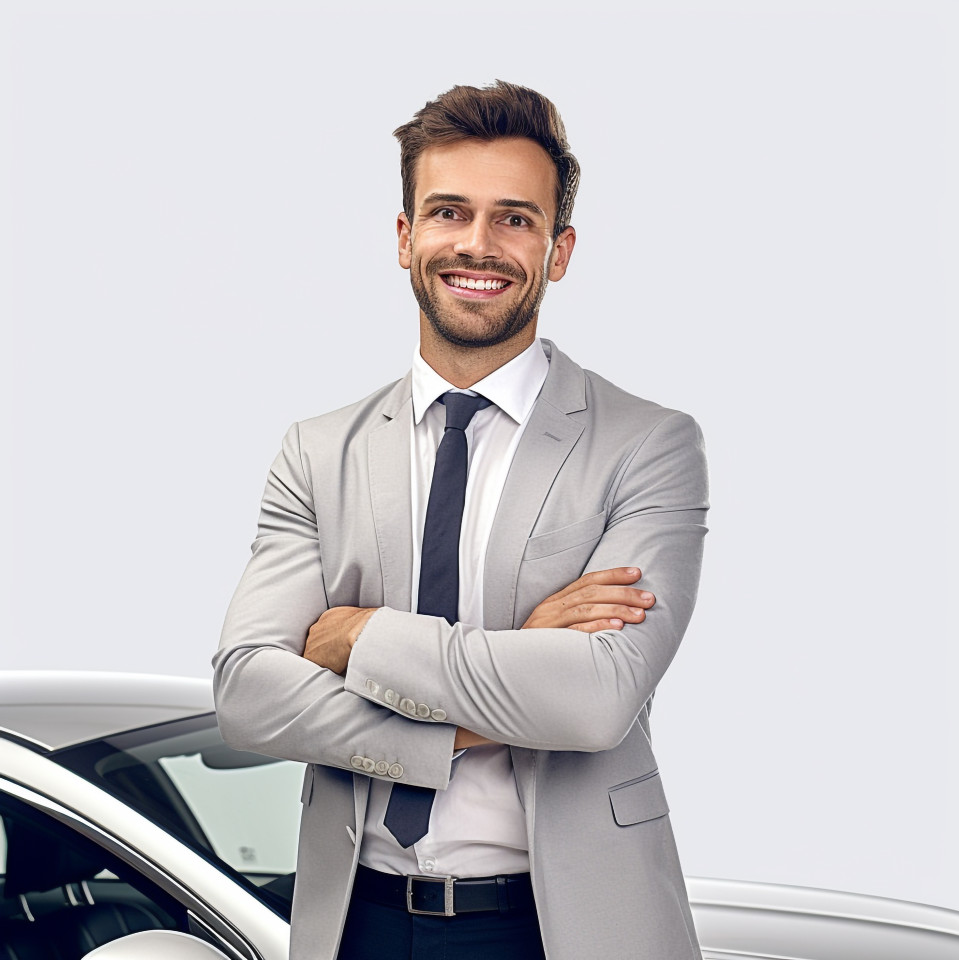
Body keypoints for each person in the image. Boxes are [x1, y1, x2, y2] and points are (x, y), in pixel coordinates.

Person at [214, 80, 708, 960]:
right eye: (449, 212)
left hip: (563, 929)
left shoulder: (649, 445)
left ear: (559, 252)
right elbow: (249, 695)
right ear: (406, 237)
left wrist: (358, 637)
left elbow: (594, 701)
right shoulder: (317, 452)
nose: (478, 244)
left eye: (516, 219)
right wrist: (513, 667)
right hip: (355, 923)